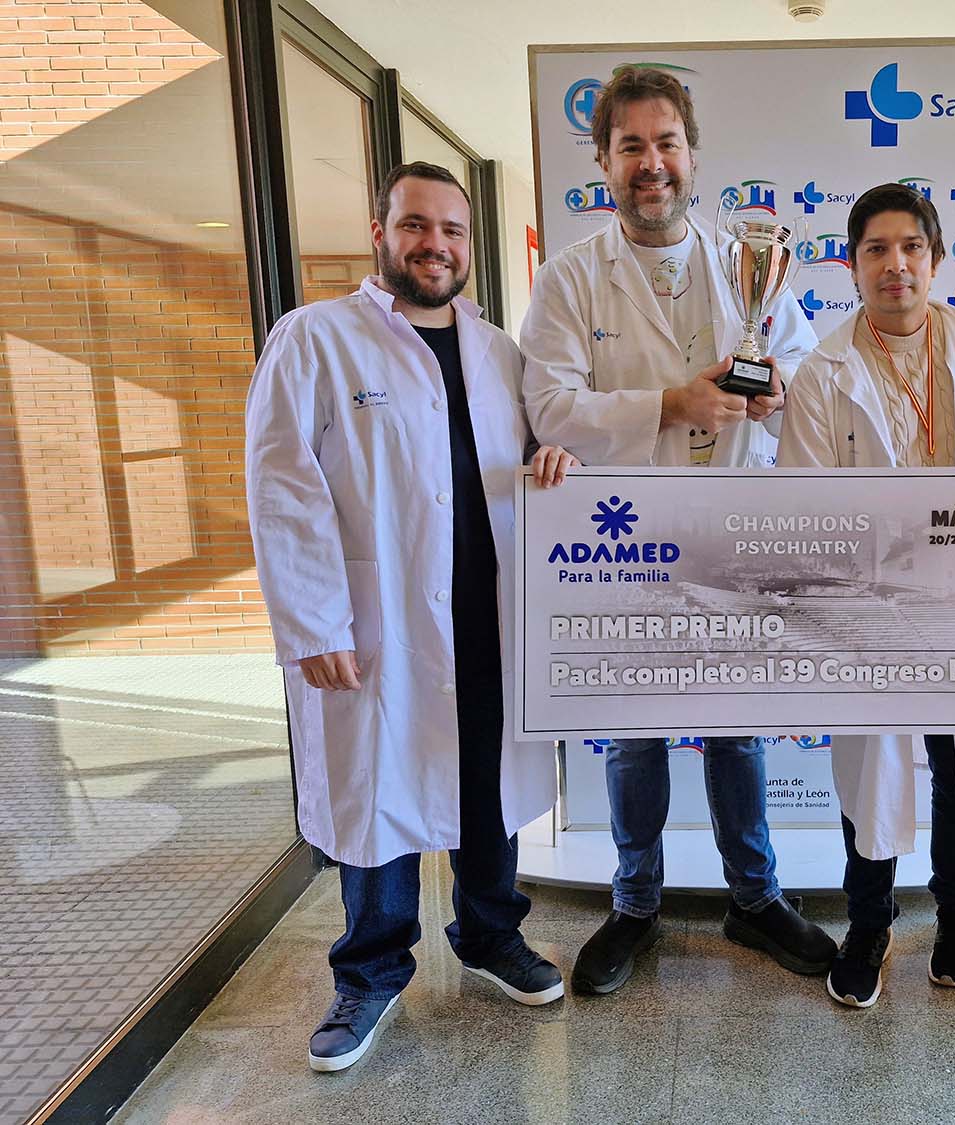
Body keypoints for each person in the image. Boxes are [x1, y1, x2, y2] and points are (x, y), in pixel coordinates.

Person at [246, 161, 580, 1072]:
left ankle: (490, 934)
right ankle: (369, 970)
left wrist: (555, 462)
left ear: (470, 245)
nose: (436, 245)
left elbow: (528, 458)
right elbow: (282, 487)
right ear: (380, 232)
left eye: (453, 230)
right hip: (376, 621)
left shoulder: (498, 350)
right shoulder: (314, 339)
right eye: (417, 226)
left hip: (489, 612)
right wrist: (313, 623)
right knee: (378, 795)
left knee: (486, 787)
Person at [520, 66, 834, 994]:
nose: (649, 164)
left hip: (735, 529)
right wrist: (668, 402)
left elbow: (803, 384)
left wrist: (775, 393)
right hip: (627, 542)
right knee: (634, 735)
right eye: (630, 148)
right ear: (604, 164)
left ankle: (755, 896)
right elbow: (548, 404)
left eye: (665, 144)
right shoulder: (572, 277)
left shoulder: (754, 262)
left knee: (738, 731)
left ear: (693, 157)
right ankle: (635, 905)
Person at [778, 183, 955, 1007]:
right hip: (871, 605)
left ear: (935, 256)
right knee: (872, 770)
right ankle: (869, 922)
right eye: (876, 250)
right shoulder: (823, 372)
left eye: (910, 247)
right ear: (852, 266)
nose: (896, 265)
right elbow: (807, 501)